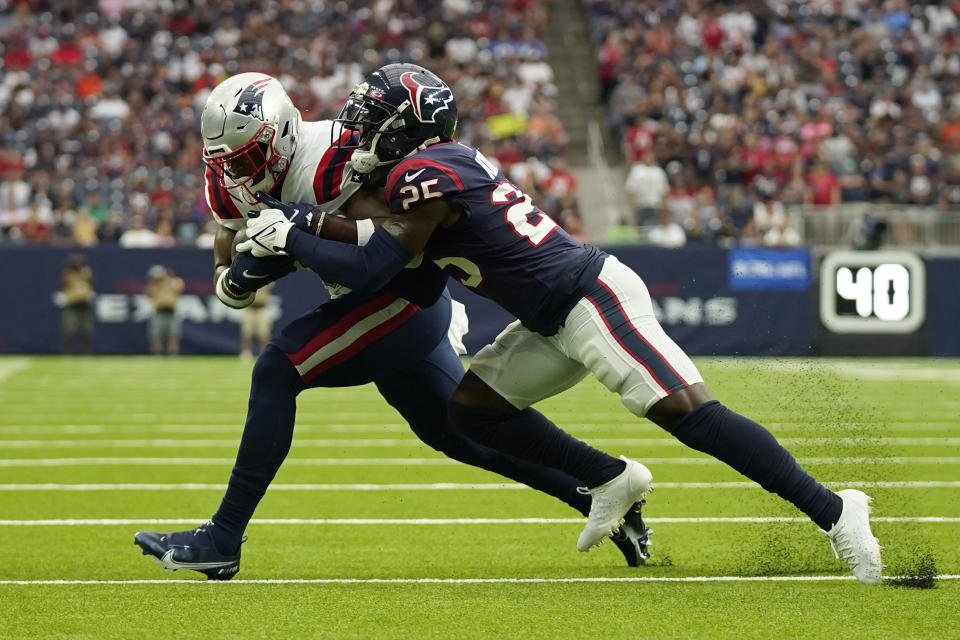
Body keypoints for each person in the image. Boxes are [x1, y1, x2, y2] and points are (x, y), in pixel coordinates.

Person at [240, 63, 883, 584]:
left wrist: (290, 233)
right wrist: (301, 226)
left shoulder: (419, 175)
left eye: (371, 118)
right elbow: (390, 253)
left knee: (690, 413)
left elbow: (377, 262)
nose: (355, 128)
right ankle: (611, 478)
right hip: (547, 319)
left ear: (407, 128)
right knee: (471, 411)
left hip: (588, 299)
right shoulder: (424, 171)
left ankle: (835, 510)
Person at [133, 73, 651, 580]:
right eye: (228, 162)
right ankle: (600, 484)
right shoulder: (228, 175)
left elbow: (396, 238)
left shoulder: (336, 157)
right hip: (366, 301)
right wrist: (233, 279)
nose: (239, 174)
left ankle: (222, 538)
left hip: (400, 293)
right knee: (457, 433)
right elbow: (228, 246)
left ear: (284, 133)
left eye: (248, 159)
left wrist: (297, 238)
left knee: (277, 368)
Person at [145, 265, 184, 355]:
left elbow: (179, 288)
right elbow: (148, 292)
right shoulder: (156, 284)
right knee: (156, 335)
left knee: (173, 336)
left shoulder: (176, 281)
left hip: (172, 312)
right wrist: (155, 282)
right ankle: (157, 354)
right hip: (159, 312)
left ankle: (172, 354)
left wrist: (166, 281)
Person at [60, 253, 95, 354]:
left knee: (87, 331)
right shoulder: (68, 275)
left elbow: (92, 285)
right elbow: (64, 287)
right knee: (69, 330)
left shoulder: (86, 274)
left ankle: (87, 353)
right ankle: (67, 353)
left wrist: (87, 277)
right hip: (72, 306)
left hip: (85, 306)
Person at [240, 283, 274, 359]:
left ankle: (264, 352)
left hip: (262, 307)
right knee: (247, 331)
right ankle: (246, 352)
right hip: (249, 307)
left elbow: (270, 286)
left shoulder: (267, 275)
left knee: (264, 332)